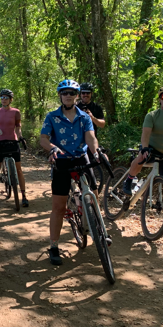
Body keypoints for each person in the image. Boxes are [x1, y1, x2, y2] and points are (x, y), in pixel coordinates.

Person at [40, 79, 104, 266]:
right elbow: (43, 138)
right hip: (61, 161)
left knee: (93, 195)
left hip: (81, 159)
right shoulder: (52, 116)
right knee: (59, 207)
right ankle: (54, 246)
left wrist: (97, 152)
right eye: (65, 93)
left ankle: (97, 229)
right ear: (60, 95)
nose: (68, 96)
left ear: (77, 96)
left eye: (72, 93)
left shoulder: (84, 117)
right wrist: (52, 148)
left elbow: (91, 138)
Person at [122, 85, 163, 236]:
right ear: (160, 99)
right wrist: (145, 148)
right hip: (151, 149)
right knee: (141, 157)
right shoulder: (152, 115)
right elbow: (146, 134)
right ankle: (129, 180)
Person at [0, 89, 29, 207]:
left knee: (19, 170)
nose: (3, 99)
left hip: (13, 142)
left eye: (6, 98)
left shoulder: (16, 112)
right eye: (2, 97)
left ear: (10, 100)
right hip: (0, 143)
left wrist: (20, 137)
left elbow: (18, 127)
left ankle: (24, 196)